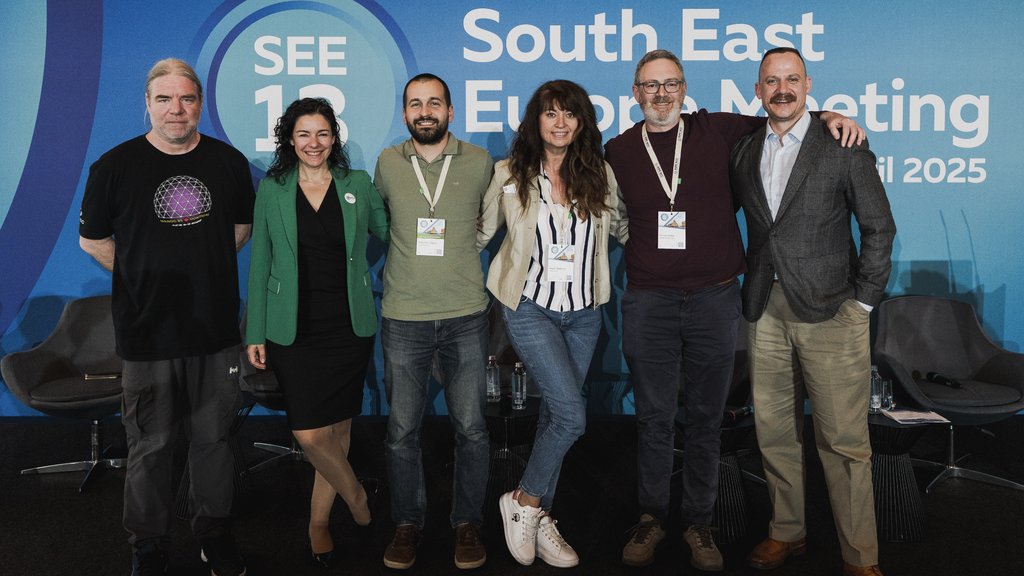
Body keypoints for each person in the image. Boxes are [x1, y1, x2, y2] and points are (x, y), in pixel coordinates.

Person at [604, 49, 863, 572]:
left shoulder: (719, 130)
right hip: (649, 301)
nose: (661, 94)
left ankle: (700, 522)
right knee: (653, 418)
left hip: (715, 299)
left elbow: (784, 113)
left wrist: (829, 115)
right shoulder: (618, 150)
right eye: (650, 86)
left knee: (705, 418)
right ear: (635, 94)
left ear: (684, 89)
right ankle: (652, 517)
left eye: (671, 84)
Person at [79, 58, 253, 576]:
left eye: (187, 99)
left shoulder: (227, 162)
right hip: (147, 331)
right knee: (150, 444)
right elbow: (93, 240)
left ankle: (213, 532)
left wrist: (202, 268)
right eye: (165, 99)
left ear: (200, 103)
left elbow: (240, 230)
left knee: (214, 441)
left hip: (214, 330)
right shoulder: (113, 167)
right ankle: (148, 544)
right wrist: (140, 274)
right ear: (147, 104)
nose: (176, 110)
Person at [730, 47, 895, 576]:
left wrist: (863, 302)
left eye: (792, 80)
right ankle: (787, 532)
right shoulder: (743, 150)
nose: (782, 89)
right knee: (775, 432)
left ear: (808, 85)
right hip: (763, 310)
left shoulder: (842, 143)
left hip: (833, 312)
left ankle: (859, 555)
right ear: (757, 91)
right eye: (771, 81)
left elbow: (879, 227)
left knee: (844, 441)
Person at [477, 79, 628, 568]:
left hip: (584, 313)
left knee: (554, 418)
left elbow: (626, 226)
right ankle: (522, 502)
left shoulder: (600, 173)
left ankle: (538, 513)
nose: (560, 123)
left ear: (581, 122)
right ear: (535, 121)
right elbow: (479, 233)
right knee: (571, 416)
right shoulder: (509, 173)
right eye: (550, 113)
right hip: (530, 307)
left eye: (569, 114)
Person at [244, 97, 388, 569]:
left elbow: (390, 231)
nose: (314, 143)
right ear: (289, 138)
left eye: (323, 134)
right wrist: (256, 331)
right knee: (310, 435)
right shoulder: (274, 188)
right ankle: (358, 497)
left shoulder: (357, 184)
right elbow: (261, 260)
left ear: (334, 138)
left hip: (347, 326)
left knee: (338, 431)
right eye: (304, 134)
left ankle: (318, 523)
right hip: (294, 328)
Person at [373, 73, 494, 570]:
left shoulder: (481, 161)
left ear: (450, 111)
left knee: (472, 428)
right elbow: (379, 223)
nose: (426, 111)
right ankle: (407, 523)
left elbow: (491, 221)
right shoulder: (386, 163)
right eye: (415, 104)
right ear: (405, 114)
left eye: (435, 103)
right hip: (403, 315)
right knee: (402, 430)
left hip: (466, 312)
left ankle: (468, 523)